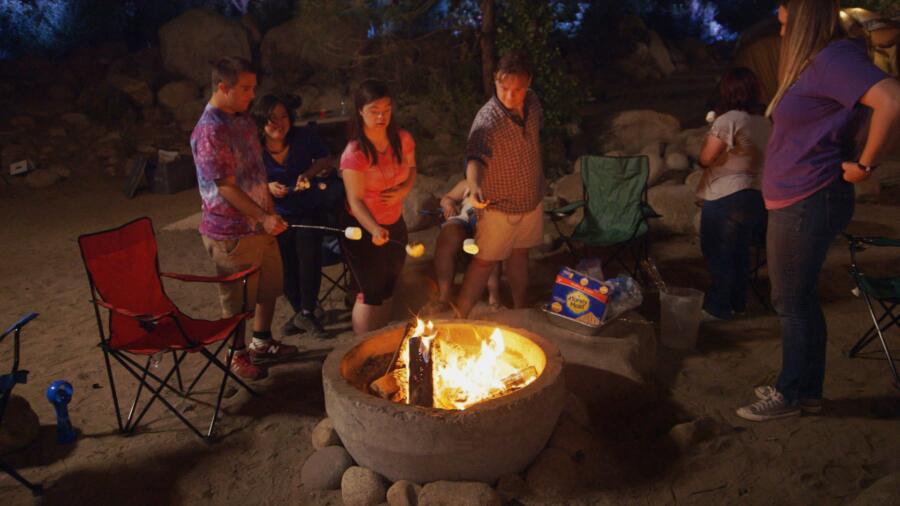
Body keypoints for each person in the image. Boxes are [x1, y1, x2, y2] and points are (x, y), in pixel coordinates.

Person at [736, 0, 900, 422]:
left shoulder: (834, 57)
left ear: (804, 12)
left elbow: (891, 99)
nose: (778, 14)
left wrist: (865, 166)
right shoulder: (816, 61)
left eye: (785, 8)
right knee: (798, 298)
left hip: (809, 199)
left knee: (790, 300)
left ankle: (792, 393)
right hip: (798, 200)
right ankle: (805, 390)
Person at [190, 57, 299, 381]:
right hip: (231, 232)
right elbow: (225, 186)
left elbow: (254, 171)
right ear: (223, 87)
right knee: (237, 302)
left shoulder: (241, 119)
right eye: (246, 88)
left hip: (259, 222)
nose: (253, 95)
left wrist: (269, 210)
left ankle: (261, 342)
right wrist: (263, 216)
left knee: (267, 288)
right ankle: (237, 354)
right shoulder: (211, 130)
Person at [455, 51, 544, 318]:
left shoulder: (534, 104)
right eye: (504, 88)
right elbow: (476, 157)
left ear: (528, 83)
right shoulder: (488, 120)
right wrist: (474, 184)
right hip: (498, 207)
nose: (510, 95)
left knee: (520, 254)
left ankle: (521, 310)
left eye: (517, 89)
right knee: (483, 262)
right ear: (495, 81)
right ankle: (459, 316)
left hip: (530, 199)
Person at [251, 94, 343, 338]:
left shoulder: (303, 138)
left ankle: (307, 310)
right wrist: (267, 187)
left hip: (307, 208)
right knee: (285, 265)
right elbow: (246, 180)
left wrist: (308, 174)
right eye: (271, 119)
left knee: (308, 257)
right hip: (275, 214)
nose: (279, 123)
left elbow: (325, 159)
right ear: (261, 122)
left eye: (283, 117)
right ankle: (300, 312)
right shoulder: (253, 148)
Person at [339, 79, 417, 334]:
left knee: (388, 286)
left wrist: (403, 190)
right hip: (363, 230)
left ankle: (379, 338)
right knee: (369, 292)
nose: (382, 115)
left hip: (395, 223)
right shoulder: (355, 153)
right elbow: (355, 199)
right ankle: (361, 346)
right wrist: (373, 228)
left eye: (387, 109)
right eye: (374, 110)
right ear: (360, 111)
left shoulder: (402, 140)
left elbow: (412, 170)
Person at [696, 68, 771, 321]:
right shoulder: (765, 122)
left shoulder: (728, 120)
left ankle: (718, 307)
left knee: (718, 252)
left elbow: (706, 158)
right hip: (756, 195)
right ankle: (738, 303)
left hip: (726, 195)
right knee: (739, 252)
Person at [422, 179, 502, 315]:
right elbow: (447, 198)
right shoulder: (468, 183)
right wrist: (448, 205)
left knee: (490, 242)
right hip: (464, 219)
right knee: (448, 239)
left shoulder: (505, 183)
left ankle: (494, 297)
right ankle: (444, 296)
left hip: (491, 221)